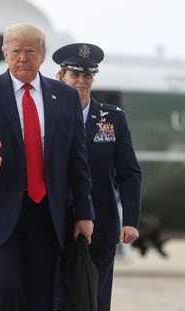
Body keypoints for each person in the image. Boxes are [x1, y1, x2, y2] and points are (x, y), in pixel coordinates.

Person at [0, 23, 95, 311]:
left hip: (46, 212)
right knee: (2, 289)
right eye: (16, 51)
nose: (22, 58)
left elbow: (77, 161)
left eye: (30, 51)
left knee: (40, 295)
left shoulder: (65, 97)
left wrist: (83, 213)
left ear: (42, 55)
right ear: (5, 53)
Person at [53, 43, 142, 311]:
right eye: (75, 75)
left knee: (95, 300)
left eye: (87, 76)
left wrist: (131, 221)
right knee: (56, 300)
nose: (81, 81)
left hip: (100, 226)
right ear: (62, 76)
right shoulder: (47, 116)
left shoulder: (112, 119)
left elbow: (129, 173)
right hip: (54, 224)